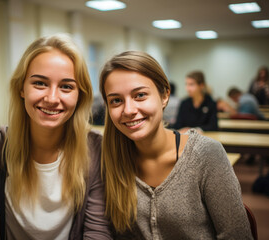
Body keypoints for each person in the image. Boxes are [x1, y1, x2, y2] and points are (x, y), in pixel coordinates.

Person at [0, 35, 111, 239]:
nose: (52, 98)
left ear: (80, 96)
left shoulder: (95, 149)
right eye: (40, 83)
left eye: (66, 86)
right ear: (21, 88)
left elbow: (98, 233)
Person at [99, 51, 252, 239]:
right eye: (116, 100)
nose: (128, 110)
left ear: (164, 96)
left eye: (139, 95)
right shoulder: (110, 160)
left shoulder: (205, 155)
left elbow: (237, 236)